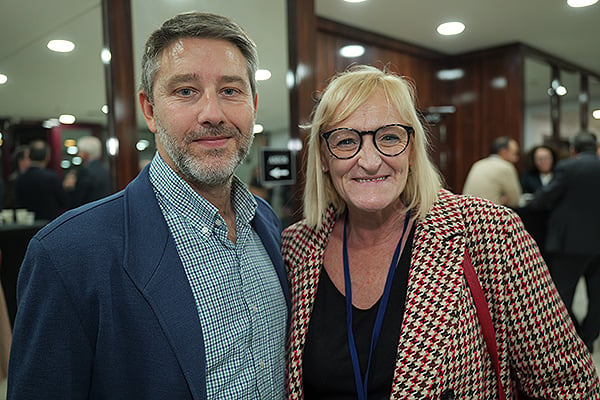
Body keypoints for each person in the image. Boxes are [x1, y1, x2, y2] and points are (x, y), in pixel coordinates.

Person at [8, 12, 289, 399]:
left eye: (230, 90)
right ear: (150, 110)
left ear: (253, 105)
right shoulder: (68, 255)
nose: (213, 113)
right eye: (186, 91)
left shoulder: (267, 224)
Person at [282, 65, 599, 399]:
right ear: (323, 157)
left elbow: (566, 385)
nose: (370, 161)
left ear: (412, 149)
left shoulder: (488, 232)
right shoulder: (296, 248)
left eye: (389, 137)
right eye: (346, 141)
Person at [528, 130, 600, 353]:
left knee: (561, 294)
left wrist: (534, 200)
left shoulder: (568, 168)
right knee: (597, 296)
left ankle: (572, 338)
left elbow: (543, 198)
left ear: (573, 150)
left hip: (569, 243)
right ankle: (588, 338)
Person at [518, 144, 558, 256]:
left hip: (555, 221)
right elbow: (522, 195)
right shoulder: (528, 176)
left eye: (547, 158)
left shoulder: (559, 175)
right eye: (539, 159)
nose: (543, 162)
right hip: (535, 221)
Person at [462, 136, 522, 208]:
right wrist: (501, 200)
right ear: (503, 152)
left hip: (467, 213)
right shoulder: (506, 167)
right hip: (490, 215)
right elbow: (515, 201)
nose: (516, 159)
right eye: (514, 154)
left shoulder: (478, 164)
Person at [15, 140, 67, 221]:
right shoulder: (51, 177)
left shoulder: (20, 179)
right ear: (47, 157)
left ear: (29, 156)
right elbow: (64, 201)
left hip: (28, 224)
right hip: (50, 224)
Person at [63, 135, 111, 207]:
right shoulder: (105, 169)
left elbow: (77, 201)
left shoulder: (85, 172)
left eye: (79, 151)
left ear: (85, 153)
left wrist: (69, 188)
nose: (77, 154)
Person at [3, 145, 30, 210]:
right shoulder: (13, 179)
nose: (31, 160)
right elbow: (9, 203)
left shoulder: (31, 177)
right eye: (28, 158)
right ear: (21, 161)